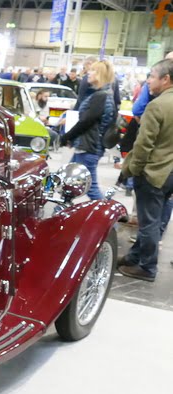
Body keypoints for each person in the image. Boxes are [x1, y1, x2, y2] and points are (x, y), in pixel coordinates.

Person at [118, 59, 173, 281]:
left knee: (148, 222)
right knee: (154, 218)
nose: (148, 81)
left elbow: (143, 145)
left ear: (165, 79)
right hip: (169, 173)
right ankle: (134, 256)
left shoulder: (157, 105)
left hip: (154, 172)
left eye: (152, 76)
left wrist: (132, 169)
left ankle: (147, 267)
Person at [58, 60, 116, 201]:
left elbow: (86, 122)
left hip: (88, 147)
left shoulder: (100, 96)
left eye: (93, 70)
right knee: (69, 181)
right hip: (87, 146)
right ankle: (61, 211)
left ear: (100, 74)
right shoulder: (103, 95)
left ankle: (108, 219)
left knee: (90, 187)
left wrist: (67, 136)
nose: (88, 73)